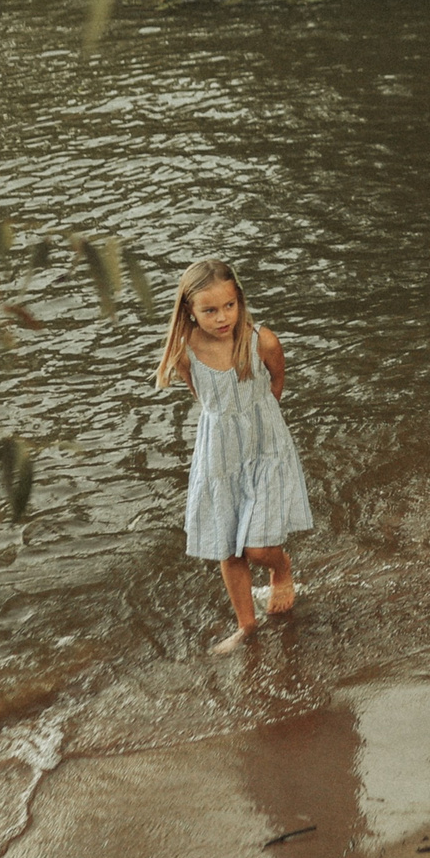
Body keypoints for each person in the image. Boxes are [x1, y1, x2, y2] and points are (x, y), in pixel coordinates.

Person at [154, 258, 314, 654]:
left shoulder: (261, 340)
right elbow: (203, 397)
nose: (222, 317)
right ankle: (247, 626)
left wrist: (258, 419)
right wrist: (228, 425)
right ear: (188, 311)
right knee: (227, 545)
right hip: (218, 454)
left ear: (239, 301)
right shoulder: (185, 351)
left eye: (229, 306)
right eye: (209, 310)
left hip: (266, 448)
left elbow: (277, 380)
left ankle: (281, 567)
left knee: (257, 548)